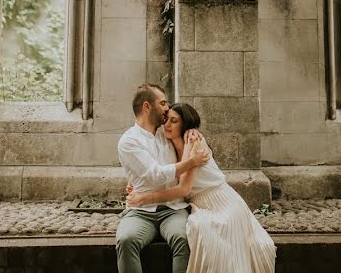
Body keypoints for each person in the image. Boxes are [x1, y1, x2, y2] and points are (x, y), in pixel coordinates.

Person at [127, 103, 276, 273]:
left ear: (185, 125)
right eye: (167, 119)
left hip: (220, 202)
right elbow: (154, 168)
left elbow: (183, 189)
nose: (167, 124)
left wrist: (143, 198)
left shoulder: (193, 142)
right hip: (198, 204)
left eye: (174, 121)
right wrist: (137, 185)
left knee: (203, 232)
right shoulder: (166, 144)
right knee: (198, 230)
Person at [116, 84, 211, 273]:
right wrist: (192, 161)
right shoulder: (129, 141)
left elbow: (184, 128)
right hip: (140, 210)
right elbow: (155, 174)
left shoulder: (165, 131)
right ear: (146, 107)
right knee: (126, 240)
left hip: (173, 209)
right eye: (162, 103)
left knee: (184, 239)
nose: (167, 108)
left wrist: (192, 131)